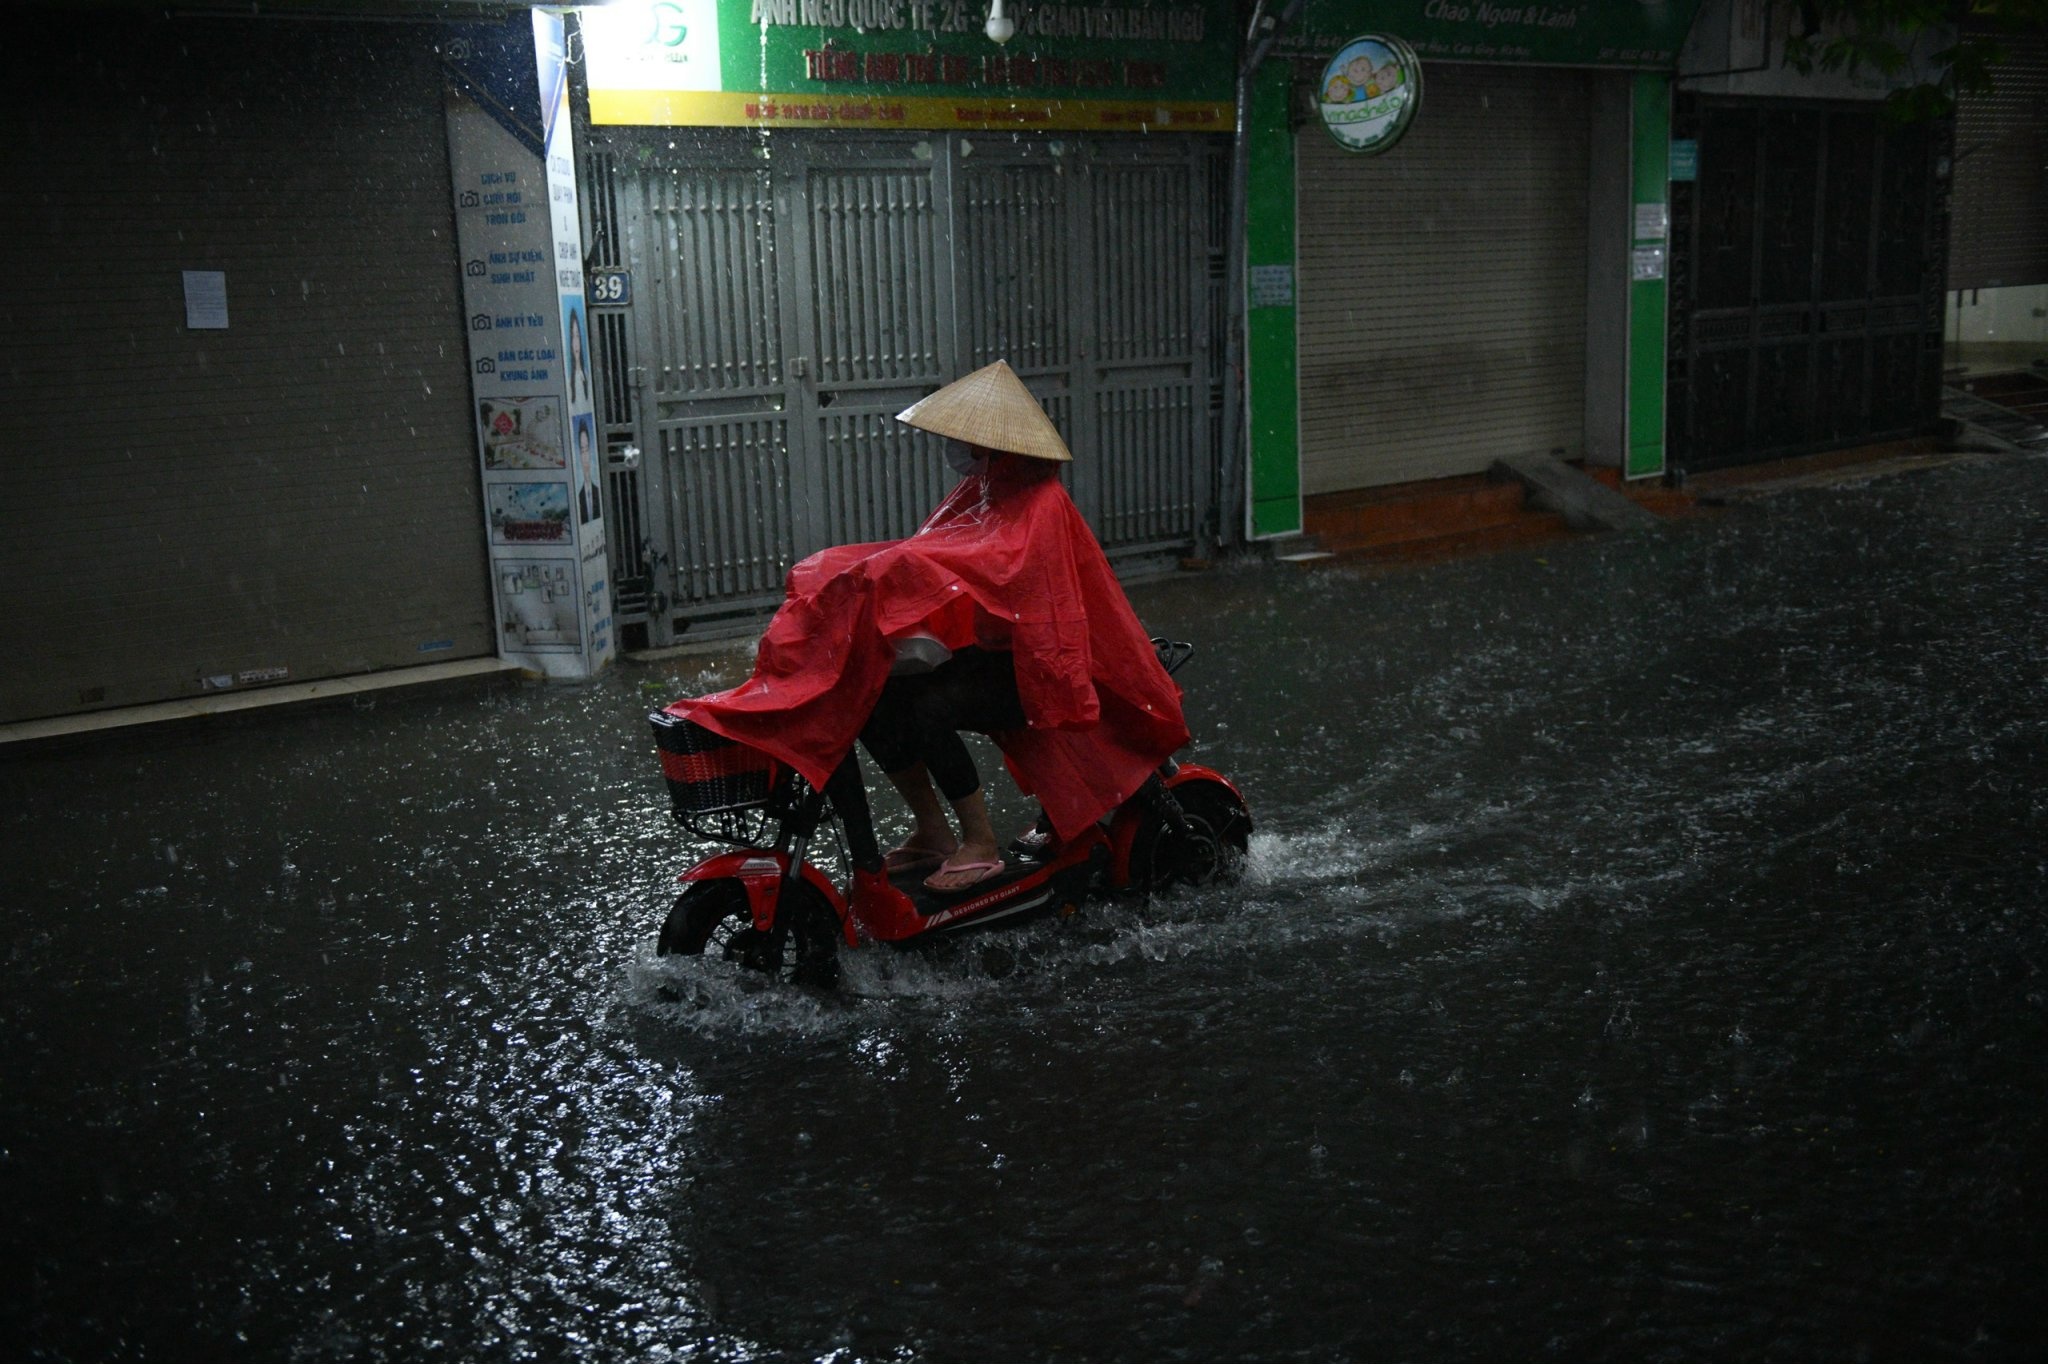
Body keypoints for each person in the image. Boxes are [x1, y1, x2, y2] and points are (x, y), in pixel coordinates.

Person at [667, 359, 1189, 899]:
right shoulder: (985, 489)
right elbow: (938, 551)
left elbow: (995, 568)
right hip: (994, 654)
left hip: (1039, 665)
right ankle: (934, 831)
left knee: (927, 709)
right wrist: (861, 571)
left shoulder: (1042, 502)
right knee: (873, 699)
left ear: (997, 445)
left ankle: (981, 841)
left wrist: (893, 570)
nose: (960, 451)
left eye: (969, 442)